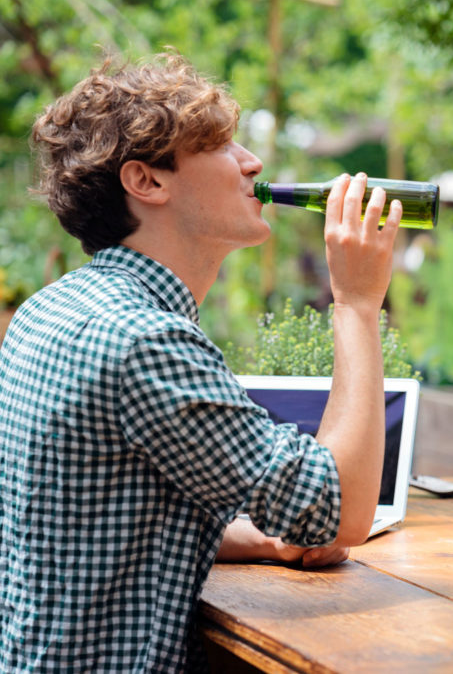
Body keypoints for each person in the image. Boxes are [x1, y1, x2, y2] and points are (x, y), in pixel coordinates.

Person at [0, 54, 401, 670]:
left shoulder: (49, 310)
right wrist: (356, 302)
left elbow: (99, 521)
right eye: (218, 145)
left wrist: (260, 540)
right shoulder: (143, 339)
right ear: (147, 181)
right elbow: (340, 511)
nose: (252, 162)